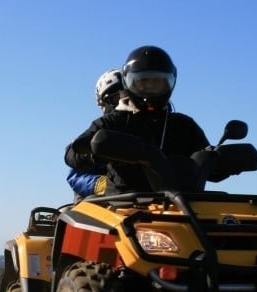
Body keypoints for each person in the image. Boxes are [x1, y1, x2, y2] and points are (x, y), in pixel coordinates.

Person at [65, 45, 209, 194]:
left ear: (169, 82)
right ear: (128, 82)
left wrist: (219, 158)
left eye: (157, 82)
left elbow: (212, 168)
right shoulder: (112, 122)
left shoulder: (184, 126)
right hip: (124, 203)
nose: (150, 87)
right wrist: (93, 152)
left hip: (183, 202)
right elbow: (72, 153)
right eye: (143, 81)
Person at [66, 68, 124, 198]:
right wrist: (103, 185)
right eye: (117, 98)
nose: (125, 102)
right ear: (104, 103)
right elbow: (75, 176)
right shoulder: (97, 131)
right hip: (104, 199)